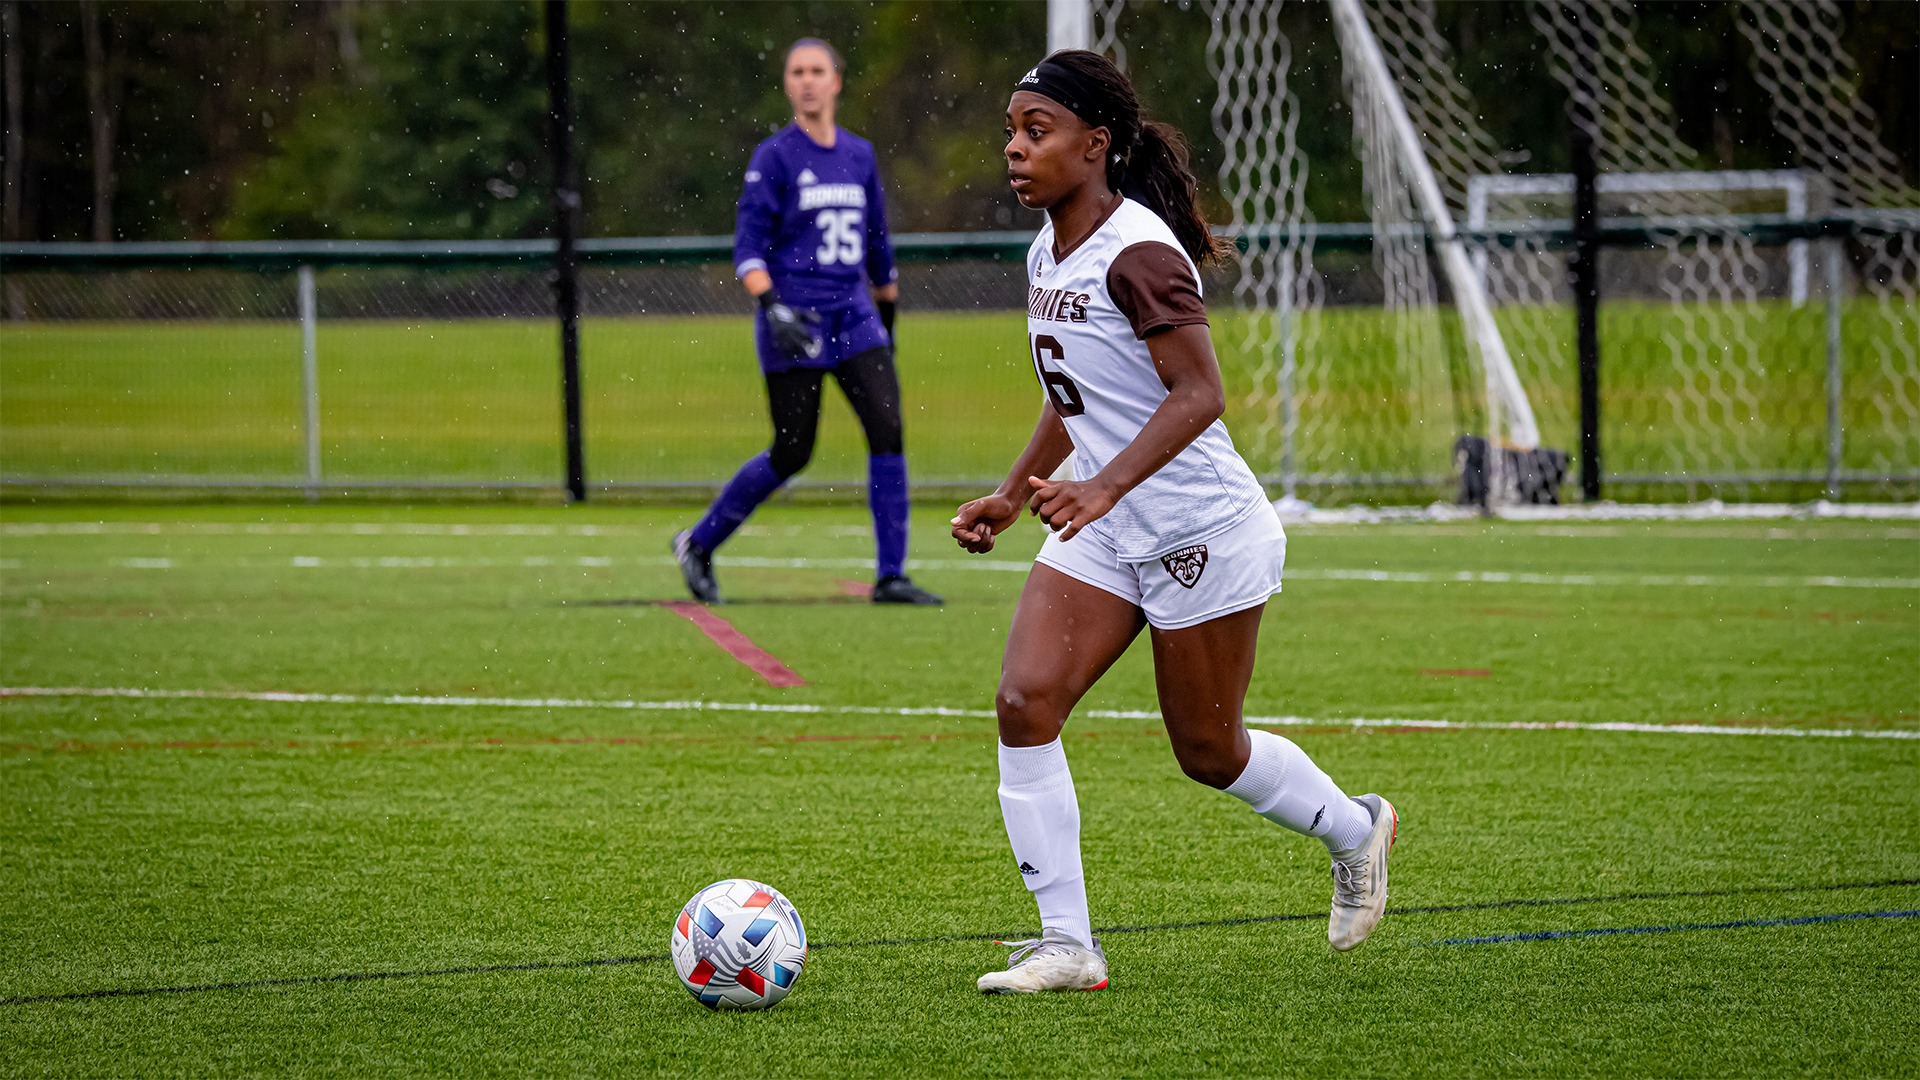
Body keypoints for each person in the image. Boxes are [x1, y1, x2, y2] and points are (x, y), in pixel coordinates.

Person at [951, 51, 1397, 995]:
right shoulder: (1046, 248)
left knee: (1209, 752)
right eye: (1012, 130)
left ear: (1095, 146)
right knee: (1024, 704)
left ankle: (1357, 828)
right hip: (1106, 523)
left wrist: (1102, 488)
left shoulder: (1142, 251)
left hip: (1200, 527)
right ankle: (1067, 945)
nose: (1015, 149)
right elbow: (1071, 393)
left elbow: (1200, 393)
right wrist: (1014, 488)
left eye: (1038, 132)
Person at [673, 38, 941, 607]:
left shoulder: (859, 155)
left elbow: (878, 245)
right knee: (793, 450)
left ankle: (891, 575)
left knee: (888, 429)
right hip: (793, 314)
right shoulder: (774, 157)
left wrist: (886, 320)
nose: (808, 81)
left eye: (818, 70)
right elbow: (747, 249)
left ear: (837, 80)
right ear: (788, 84)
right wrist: (772, 307)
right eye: (797, 72)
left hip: (855, 315)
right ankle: (698, 543)